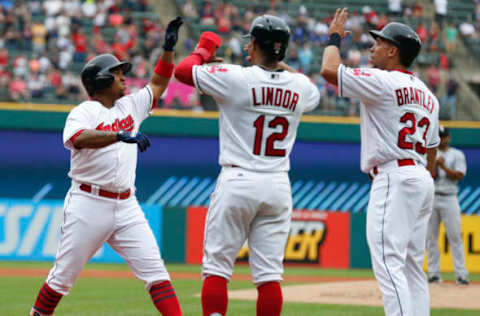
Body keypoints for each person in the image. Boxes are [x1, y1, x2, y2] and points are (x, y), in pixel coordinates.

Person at [29, 17, 184, 316]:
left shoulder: (131, 106)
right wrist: (118, 136)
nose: (124, 77)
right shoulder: (83, 111)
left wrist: (167, 49)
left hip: (127, 204)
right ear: (100, 80)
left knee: (157, 273)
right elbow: (78, 137)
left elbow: (159, 82)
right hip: (88, 203)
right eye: (116, 73)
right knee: (62, 278)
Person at [174, 15, 320, 316]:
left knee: (217, 268)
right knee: (269, 276)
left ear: (253, 44)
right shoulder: (301, 86)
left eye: (250, 43)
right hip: (278, 184)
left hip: (238, 179)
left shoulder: (235, 77)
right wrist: (279, 63)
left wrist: (203, 51)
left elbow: (183, 71)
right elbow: (309, 90)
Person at [321, 9, 440, 316]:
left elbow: (329, 70)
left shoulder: (384, 81)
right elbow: (431, 151)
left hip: (394, 175)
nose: (372, 47)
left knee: (389, 263)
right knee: (413, 267)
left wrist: (334, 37)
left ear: (393, 51)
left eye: (379, 42)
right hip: (420, 178)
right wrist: (420, 182)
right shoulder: (429, 95)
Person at [426, 126, 469, 285]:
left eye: (444, 136)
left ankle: (461, 274)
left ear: (448, 137)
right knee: (430, 237)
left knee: (455, 236)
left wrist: (443, 166)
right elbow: (426, 174)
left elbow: (459, 175)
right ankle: (433, 274)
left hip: (450, 197)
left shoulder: (456, 154)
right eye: (439, 136)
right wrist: (434, 164)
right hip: (432, 197)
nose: (442, 139)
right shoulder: (429, 153)